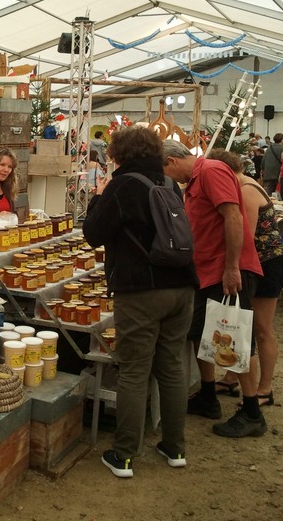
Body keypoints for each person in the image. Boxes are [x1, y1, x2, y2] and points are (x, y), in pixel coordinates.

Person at [84, 127, 197, 478]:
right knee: (172, 366)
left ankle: (125, 454)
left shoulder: (123, 185)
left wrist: (98, 197)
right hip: (182, 286)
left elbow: (92, 235)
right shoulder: (168, 184)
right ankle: (174, 447)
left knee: (134, 369)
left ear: (118, 153)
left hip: (141, 290)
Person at [162, 140, 266, 439]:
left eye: (166, 172)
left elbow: (233, 216)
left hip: (226, 272)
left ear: (171, 161)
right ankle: (208, 395)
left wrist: (232, 267)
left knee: (234, 338)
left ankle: (251, 411)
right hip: (206, 273)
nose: (170, 179)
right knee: (200, 334)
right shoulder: (195, 181)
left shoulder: (211, 170)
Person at [205, 149, 283, 407]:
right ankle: (231, 378)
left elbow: (245, 236)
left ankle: (265, 388)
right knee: (243, 324)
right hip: (259, 263)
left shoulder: (246, 191)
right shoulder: (244, 185)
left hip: (266, 265)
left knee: (262, 330)